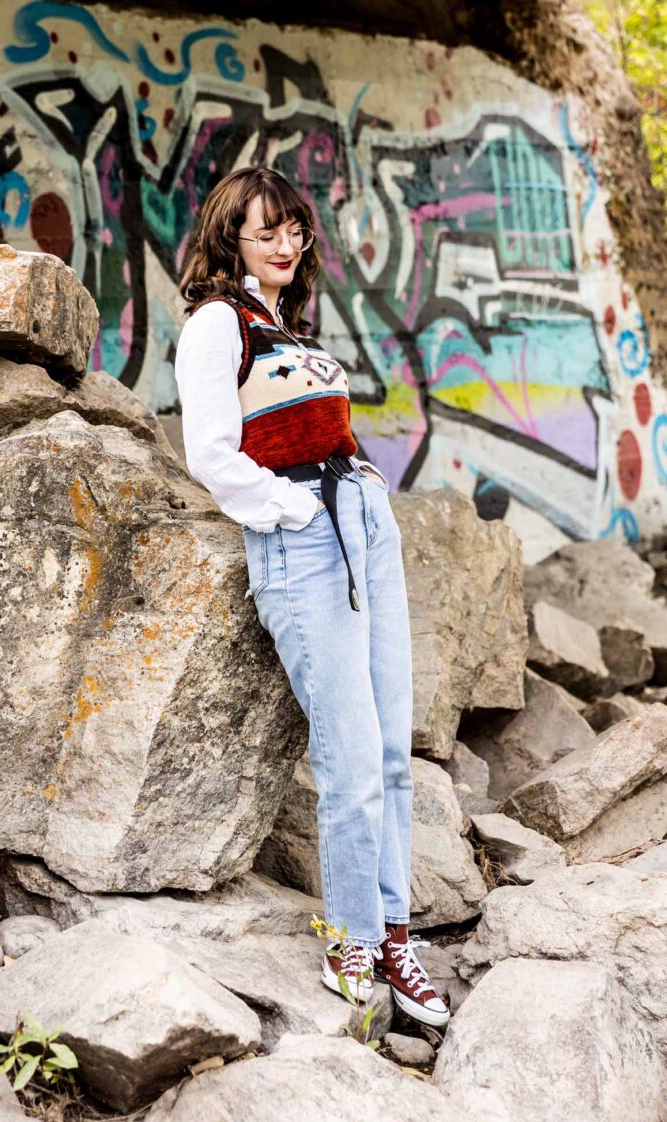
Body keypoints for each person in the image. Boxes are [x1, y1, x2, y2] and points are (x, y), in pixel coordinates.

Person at [175, 166, 449, 1028]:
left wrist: (361, 488)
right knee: (351, 758)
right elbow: (211, 453)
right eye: (267, 232)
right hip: (303, 546)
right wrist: (291, 510)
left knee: (394, 753)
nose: (287, 244)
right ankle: (354, 939)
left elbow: (323, 427)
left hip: (364, 530)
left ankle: (395, 932)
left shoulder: (282, 324)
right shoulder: (218, 325)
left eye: (295, 229)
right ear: (230, 240)